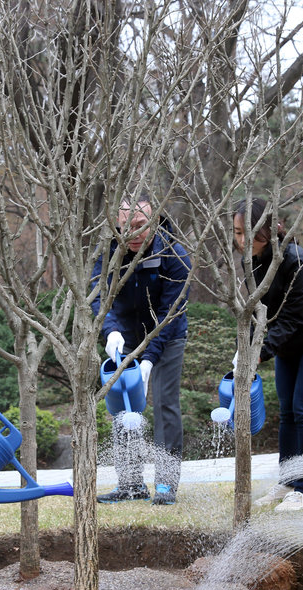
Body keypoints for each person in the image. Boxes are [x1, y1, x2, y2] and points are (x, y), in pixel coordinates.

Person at [233, 198, 303, 512]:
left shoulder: (297, 261)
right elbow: (256, 315)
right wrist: (243, 349)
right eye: (237, 233)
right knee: (287, 411)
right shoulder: (250, 261)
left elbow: (293, 318)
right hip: (288, 342)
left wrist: (258, 353)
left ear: (269, 229)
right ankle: (287, 481)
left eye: (249, 233)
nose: (242, 240)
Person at [90, 196, 191, 506]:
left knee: (164, 405)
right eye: (126, 227)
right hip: (126, 337)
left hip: (167, 335)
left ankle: (165, 485)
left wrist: (148, 359)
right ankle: (131, 484)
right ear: (117, 224)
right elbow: (98, 293)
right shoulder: (108, 251)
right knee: (122, 405)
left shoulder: (174, 253)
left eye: (140, 226)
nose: (134, 234)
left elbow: (171, 311)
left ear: (153, 221)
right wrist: (111, 329)